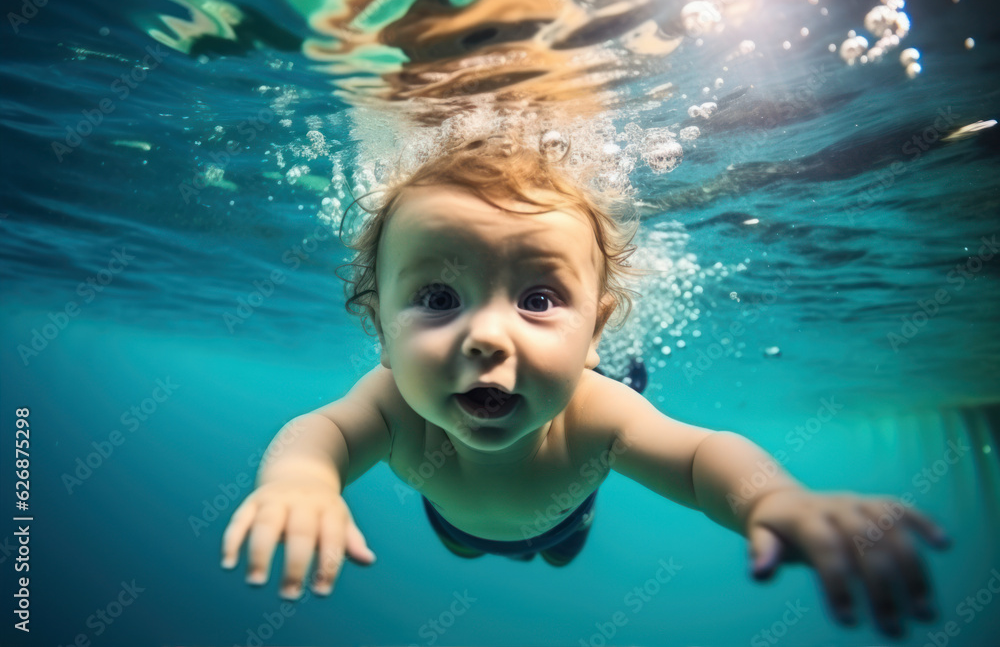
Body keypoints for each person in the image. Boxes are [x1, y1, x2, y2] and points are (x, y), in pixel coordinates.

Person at [220, 135, 950, 638]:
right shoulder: (387, 404)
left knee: (562, 546)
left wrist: (775, 496)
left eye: (538, 299)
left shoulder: (598, 412)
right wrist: (302, 481)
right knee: (467, 547)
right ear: (379, 329)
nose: (488, 336)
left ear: (596, 330)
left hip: (566, 517)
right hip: (456, 525)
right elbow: (319, 435)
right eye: (438, 297)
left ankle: (563, 532)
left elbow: (700, 458)